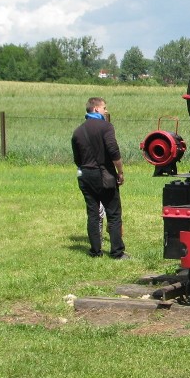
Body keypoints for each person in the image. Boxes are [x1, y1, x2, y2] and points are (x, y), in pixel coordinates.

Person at [71, 97, 128, 259]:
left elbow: (77, 159)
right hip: (105, 175)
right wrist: (120, 171)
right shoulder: (106, 127)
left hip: (85, 176)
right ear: (96, 109)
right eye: (104, 108)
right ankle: (117, 252)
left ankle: (95, 251)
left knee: (93, 213)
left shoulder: (78, 131)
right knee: (113, 213)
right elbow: (113, 150)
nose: (106, 111)